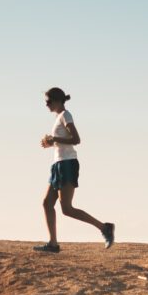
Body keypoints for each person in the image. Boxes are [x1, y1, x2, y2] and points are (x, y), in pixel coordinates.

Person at [36, 87, 115, 253]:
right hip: (58, 164)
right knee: (47, 203)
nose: (46, 105)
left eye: (48, 101)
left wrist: (54, 138)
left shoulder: (66, 115)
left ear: (58, 101)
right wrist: (51, 143)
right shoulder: (58, 118)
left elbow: (76, 139)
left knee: (67, 208)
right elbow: (63, 141)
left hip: (67, 164)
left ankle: (104, 227)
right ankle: (53, 244)